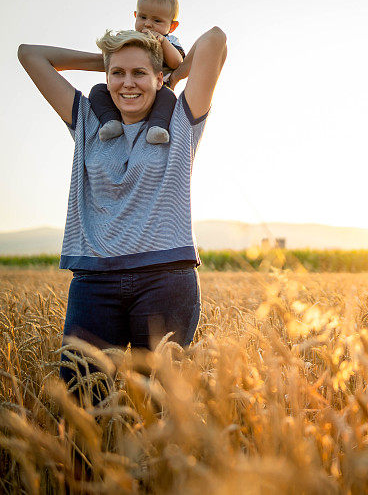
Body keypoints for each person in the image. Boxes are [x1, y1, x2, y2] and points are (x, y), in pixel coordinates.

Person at [18, 26, 226, 397]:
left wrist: (169, 66)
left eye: (139, 73)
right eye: (118, 73)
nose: (128, 84)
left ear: (158, 79)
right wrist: (106, 60)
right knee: (84, 401)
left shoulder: (182, 119)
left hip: (166, 281)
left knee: (160, 409)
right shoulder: (87, 119)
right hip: (94, 281)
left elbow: (215, 40)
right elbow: (29, 53)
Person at [89, 0, 185, 145]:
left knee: (168, 97)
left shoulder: (170, 41)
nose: (148, 24)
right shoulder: (132, 37)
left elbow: (177, 62)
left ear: (172, 26)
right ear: (135, 15)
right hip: (126, 95)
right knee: (97, 91)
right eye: (142, 17)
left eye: (157, 20)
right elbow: (112, 60)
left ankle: (157, 127)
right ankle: (110, 121)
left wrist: (162, 41)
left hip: (158, 91)